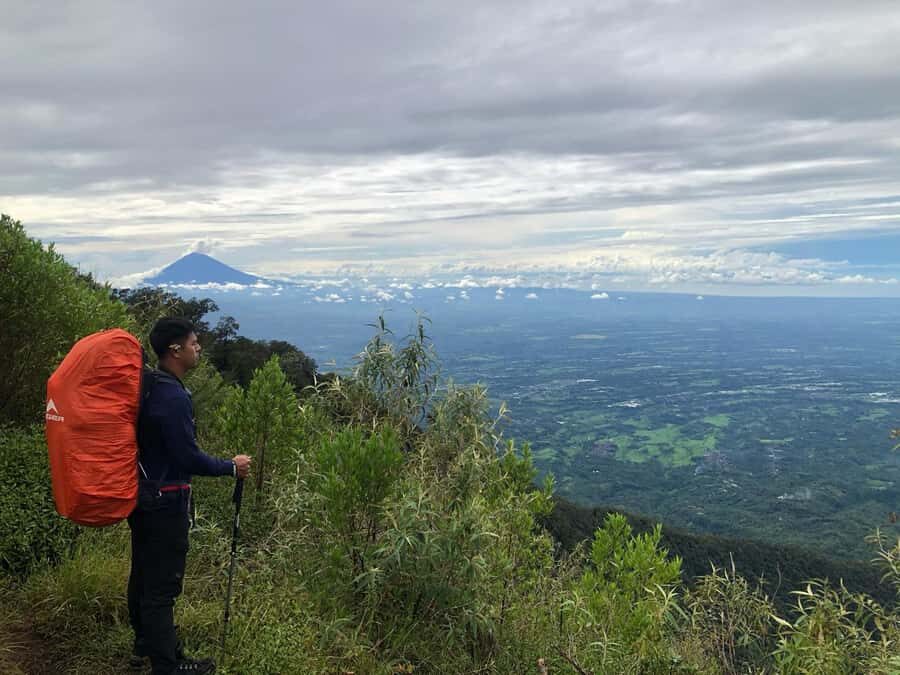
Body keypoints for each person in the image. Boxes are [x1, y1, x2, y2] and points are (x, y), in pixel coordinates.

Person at [128, 317, 251, 674]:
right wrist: (231, 466)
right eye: (194, 343)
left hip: (143, 496)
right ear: (175, 350)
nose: (199, 348)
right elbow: (187, 457)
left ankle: (145, 644)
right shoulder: (172, 396)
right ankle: (167, 666)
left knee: (144, 575)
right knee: (162, 586)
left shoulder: (150, 384)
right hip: (165, 502)